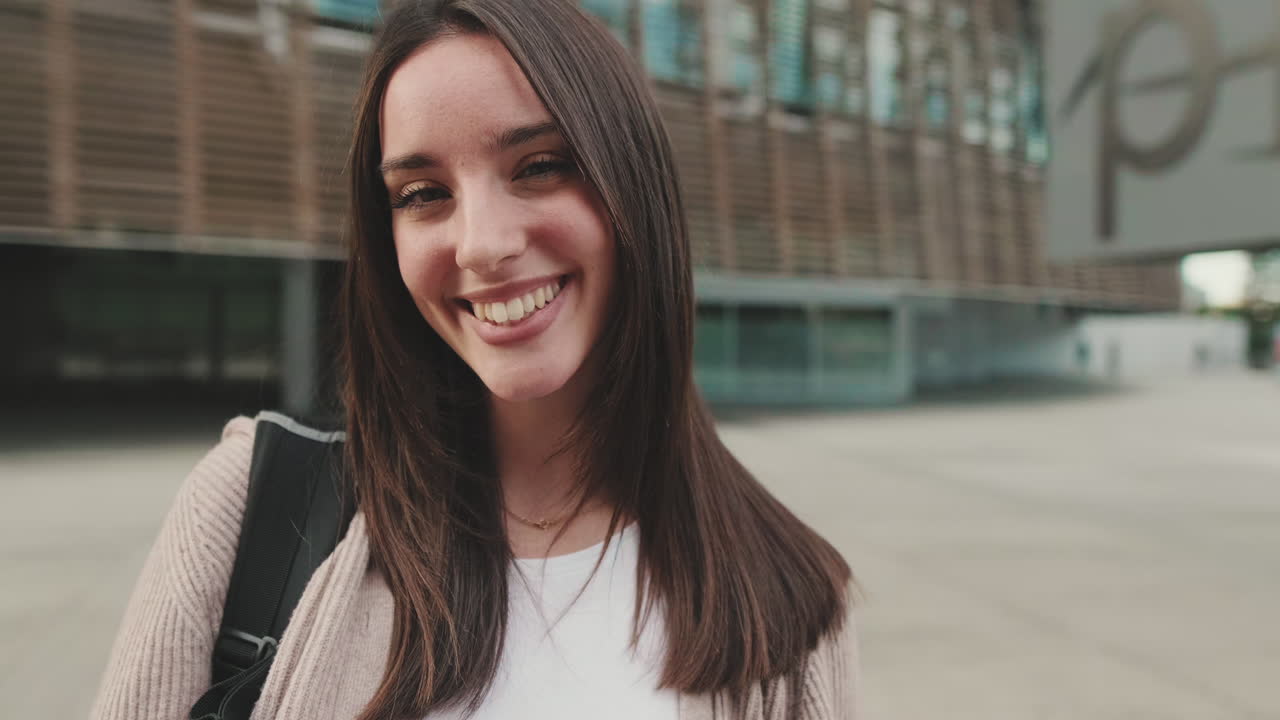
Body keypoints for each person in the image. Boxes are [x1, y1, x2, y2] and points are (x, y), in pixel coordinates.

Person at [91, 1, 859, 718]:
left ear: (634, 184)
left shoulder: (793, 596)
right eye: (423, 193)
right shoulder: (254, 513)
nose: (484, 244)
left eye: (539, 166)